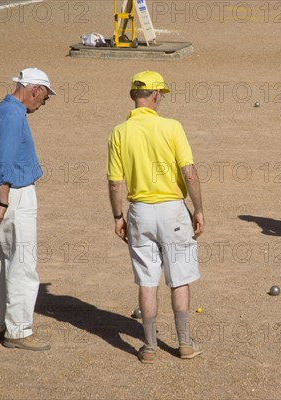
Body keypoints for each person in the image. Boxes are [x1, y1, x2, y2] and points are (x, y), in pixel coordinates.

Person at [106, 71, 205, 363]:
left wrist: (117, 216)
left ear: (133, 96)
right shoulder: (172, 127)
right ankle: (184, 343)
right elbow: (189, 173)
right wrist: (198, 210)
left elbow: (115, 182)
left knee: (147, 281)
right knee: (179, 278)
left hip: (139, 212)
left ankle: (149, 347)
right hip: (173, 209)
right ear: (156, 95)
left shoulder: (119, 132)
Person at [0, 67, 55, 350]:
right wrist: (3, 200)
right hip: (13, 194)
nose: (42, 103)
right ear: (36, 89)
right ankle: (19, 331)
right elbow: (4, 162)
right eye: (44, 98)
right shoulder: (13, 116)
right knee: (21, 262)